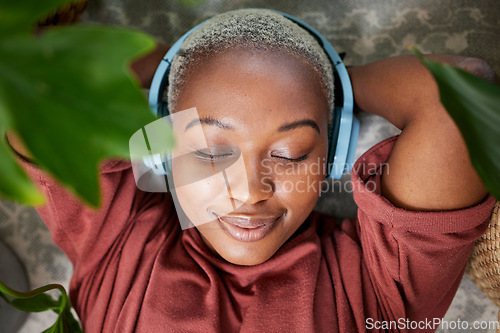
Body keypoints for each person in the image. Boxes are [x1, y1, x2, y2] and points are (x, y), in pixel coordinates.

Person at [7, 8, 497, 333]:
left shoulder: (377, 290)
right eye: (212, 153)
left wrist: (335, 87)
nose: (250, 190)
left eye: (290, 153)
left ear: (334, 152)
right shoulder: (115, 241)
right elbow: (28, 69)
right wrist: (164, 67)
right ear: (163, 152)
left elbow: (459, 92)